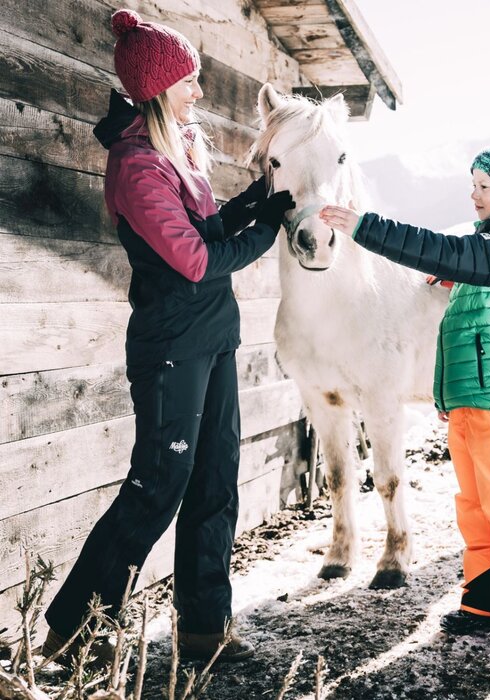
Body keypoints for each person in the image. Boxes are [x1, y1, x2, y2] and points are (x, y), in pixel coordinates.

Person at [42, 9, 295, 665]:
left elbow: (203, 231)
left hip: (212, 338)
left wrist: (256, 202)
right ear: (157, 88)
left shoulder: (175, 153)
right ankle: (75, 630)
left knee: (215, 481)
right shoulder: (136, 166)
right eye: (189, 81)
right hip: (171, 348)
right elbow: (195, 260)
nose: (199, 92)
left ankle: (205, 629)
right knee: (159, 485)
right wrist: (266, 232)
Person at [319, 133, 490, 646]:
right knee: (477, 504)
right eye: (473, 184)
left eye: (485, 186)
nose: (474, 194)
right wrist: (447, 392)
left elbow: (443, 249)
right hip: (470, 397)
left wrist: (365, 228)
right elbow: (461, 321)